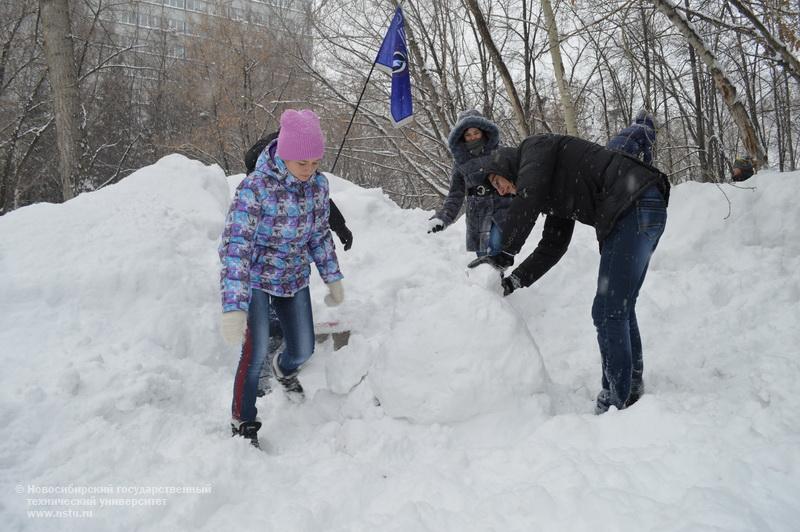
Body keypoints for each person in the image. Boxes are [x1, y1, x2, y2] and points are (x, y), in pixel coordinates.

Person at [469, 134, 670, 414]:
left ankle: (617, 401)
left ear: (504, 165)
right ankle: (630, 391)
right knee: (619, 307)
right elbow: (552, 247)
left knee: (607, 310)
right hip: (640, 204)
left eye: (496, 182)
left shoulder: (535, 149)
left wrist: (504, 254)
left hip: (633, 201)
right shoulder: (553, 187)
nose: (501, 191)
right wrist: (513, 282)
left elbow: (529, 194)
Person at [219, 109, 344, 447]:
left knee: (303, 348)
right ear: (284, 154)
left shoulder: (318, 186)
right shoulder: (254, 189)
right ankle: (243, 421)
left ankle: (284, 369)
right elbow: (235, 248)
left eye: (315, 162)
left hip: (293, 277)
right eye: (302, 163)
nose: (310, 170)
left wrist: (332, 277)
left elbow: (318, 235)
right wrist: (233, 306)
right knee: (255, 350)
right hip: (257, 279)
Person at [244, 131, 354, 397]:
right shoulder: (259, 180)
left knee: (292, 333)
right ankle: (258, 386)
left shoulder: (304, 169)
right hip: (258, 268)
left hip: (291, 271)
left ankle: (282, 356)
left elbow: (317, 204)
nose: (309, 168)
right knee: (266, 328)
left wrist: (339, 227)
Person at [428, 110, 515, 256]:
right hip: (478, 215)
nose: (473, 137)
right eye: (468, 134)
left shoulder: (499, 152)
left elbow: (517, 176)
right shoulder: (460, 162)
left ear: (483, 132)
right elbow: (455, 195)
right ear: (462, 137)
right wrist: (443, 218)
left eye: (476, 132)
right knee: (482, 259)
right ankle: (493, 279)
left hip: (503, 208)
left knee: (496, 246)